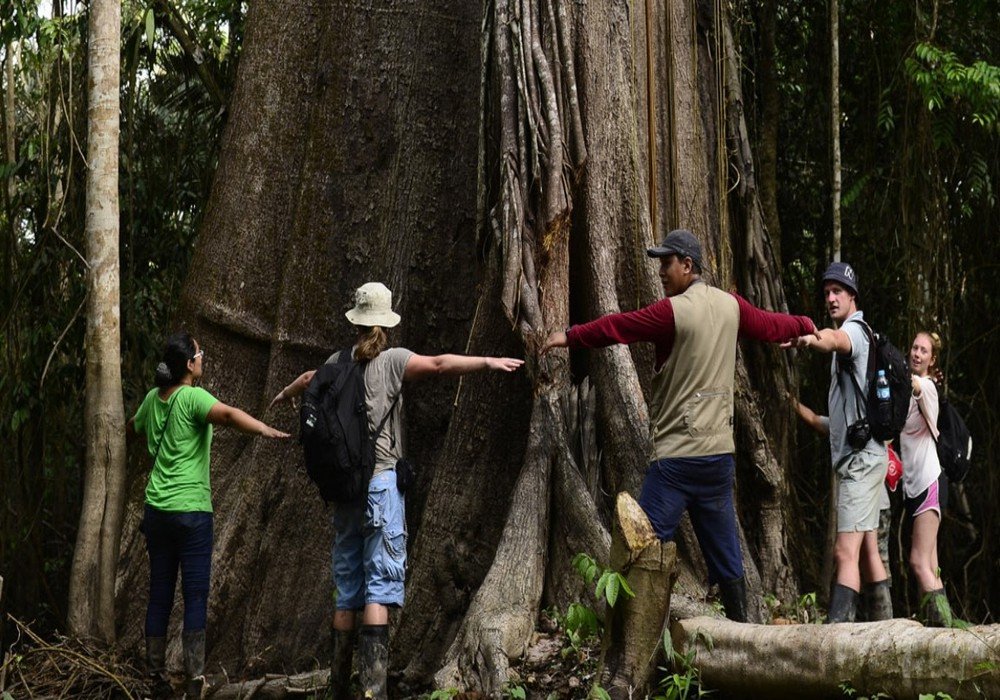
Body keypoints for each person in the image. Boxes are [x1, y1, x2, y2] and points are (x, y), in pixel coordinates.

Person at [541, 229, 816, 622]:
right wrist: (805, 324)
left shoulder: (671, 312)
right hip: (718, 458)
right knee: (727, 560)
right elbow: (772, 326)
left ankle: (629, 647)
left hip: (676, 462)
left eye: (666, 263)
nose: (660, 272)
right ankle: (743, 641)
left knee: (643, 551)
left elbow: (618, 327)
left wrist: (568, 336)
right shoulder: (732, 306)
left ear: (688, 266)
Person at [269, 282, 524, 699]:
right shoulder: (392, 361)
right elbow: (440, 365)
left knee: (347, 587)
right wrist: (488, 361)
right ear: (385, 324)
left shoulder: (336, 363)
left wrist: (283, 395)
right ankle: (372, 691)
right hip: (381, 487)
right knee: (379, 587)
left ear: (356, 321)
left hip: (345, 492)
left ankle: (337, 688)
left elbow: (306, 379)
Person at [129, 332, 290, 699]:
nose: (203, 357)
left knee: (159, 594)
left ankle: (155, 678)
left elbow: (132, 426)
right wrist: (264, 428)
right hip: (192, 512)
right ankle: (195, 680)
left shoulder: (154, 399)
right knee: (196, 595)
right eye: (200, 353)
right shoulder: (192, 397)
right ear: (188, 365)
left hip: (157, 511)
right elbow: (229, 415)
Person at [783, 262, 889, 623]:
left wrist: (809, 337)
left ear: (852, 296)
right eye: (826, 292)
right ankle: (886, 632)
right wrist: (799, 410)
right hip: (871, 455)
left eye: (837, 292)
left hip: (861, 464)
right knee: (869, 549)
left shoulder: (854, 332)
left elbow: (834, 340)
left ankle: (837, 634)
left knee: (845, 552)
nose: (830, 298)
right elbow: (839, 422)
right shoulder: (863, 335)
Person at [789, 397, 893, 621]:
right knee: (866, 558)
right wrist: (791, 400)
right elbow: (815, 420)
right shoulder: (842, 424)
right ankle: (877, 625)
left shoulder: (869, 423)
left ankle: (861, 626)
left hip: (875, 504)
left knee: (865, 557)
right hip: (867, 503)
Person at [901, 330, 952, 626]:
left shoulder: (927, 386)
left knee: (918, 562)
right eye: (914, 348)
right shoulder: (910, 391)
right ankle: (939, 628)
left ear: (932, 360)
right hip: (918, 483)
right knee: (930, 565)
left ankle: (945, 634)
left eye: (924, 351)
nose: (917, 354)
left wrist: (894, 366)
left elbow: (918, 386)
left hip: (928, 481)